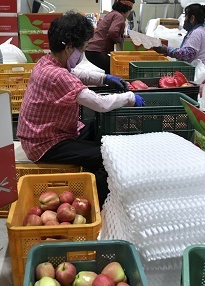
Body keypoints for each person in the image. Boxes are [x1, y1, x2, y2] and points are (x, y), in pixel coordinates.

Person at [17, 11, 145, 207]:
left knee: (96, 127)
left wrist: (104, 78)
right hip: (45, 144)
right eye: (83, 49)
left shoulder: (46, 63)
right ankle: (98, 207)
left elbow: (75, 73)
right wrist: (129, 97)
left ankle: (89, 175)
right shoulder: (58, 76)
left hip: (45, 133)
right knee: (105, 157)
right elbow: (100, 104)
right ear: (69, 48)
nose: (83, 54)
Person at [85, 0, 135, 73]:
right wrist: (120, 41)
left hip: (91, 50)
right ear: (127, 9)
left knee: (110, 67)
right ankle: (111, 84)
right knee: (115, 67)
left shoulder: (111, 14)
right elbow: (112, 32)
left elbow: (110, 30)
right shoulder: (119, 17)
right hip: (96, 51)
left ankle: (109, 83)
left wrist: (123, 36)